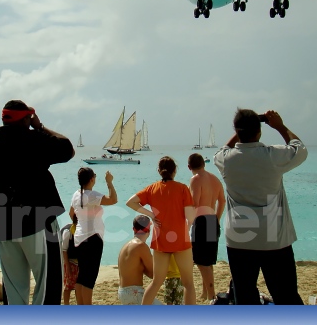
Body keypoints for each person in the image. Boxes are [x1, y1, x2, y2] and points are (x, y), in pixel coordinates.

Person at [0, 99, 75, 305]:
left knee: (14, 287)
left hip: (5, 221)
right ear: (27, 119)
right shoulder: (35, 140)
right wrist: (40, 127)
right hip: (39, 220)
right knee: (47, 284)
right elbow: (68, 149)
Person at [214, 109, 307, 305]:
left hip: (239, 235)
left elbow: (221, 149)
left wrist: (239, 132)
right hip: (272, 235)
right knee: (286, 294)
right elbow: (299, 148)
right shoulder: (272, 155)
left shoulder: (226, 160)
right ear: (259, 131)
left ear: (237, 131)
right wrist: (280, 126)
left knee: (245, 295)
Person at [126, 156, 196, 305]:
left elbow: (130, 202)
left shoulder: (152, 188)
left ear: (159, 171)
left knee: (156, 282)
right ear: (175, 171)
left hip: (161, 240)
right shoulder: (183, 188)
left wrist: (151, 214)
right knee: (188, 283)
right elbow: (190, 216)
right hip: (180, 240)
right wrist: (187, 226)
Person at [70, 167, 117, 305]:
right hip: (92, 238)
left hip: (80, 238)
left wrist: (81, 224)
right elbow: (113, 199)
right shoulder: (91, 195)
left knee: (82, 275)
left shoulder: (76, 194)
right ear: (92, 179)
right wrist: (109, 182)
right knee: (89, 277)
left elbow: (71, 213)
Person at [188, 152, 225, 301]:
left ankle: (211, 295)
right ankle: (205, 292)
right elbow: (222, 201)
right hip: (212, 220)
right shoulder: (215, 179)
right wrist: (216, 218)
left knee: (200, 261)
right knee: (207, 260)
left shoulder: (196, 179)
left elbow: (195, 203)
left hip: (201, 220)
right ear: (204, 163)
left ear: (189, 167)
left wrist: (187, 222)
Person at [117, 215, 162, 305]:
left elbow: (135, 268)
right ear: (149, 230)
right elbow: (154, 274)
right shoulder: (141, 246)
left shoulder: (126, 246)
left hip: (122, 292)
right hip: (134, 292)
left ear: (133, 229)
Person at [61, 215, 79, 305]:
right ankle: (66, 304)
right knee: (68, 286)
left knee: (78, 286)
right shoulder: (68, 232)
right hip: (69, 261)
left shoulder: (81, 231)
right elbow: (64, 250)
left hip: (78, 262)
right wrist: (67, 266)